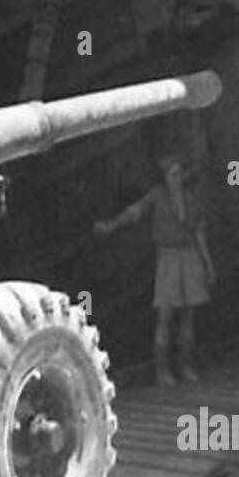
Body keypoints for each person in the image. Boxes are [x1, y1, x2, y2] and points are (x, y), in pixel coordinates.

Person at [95, 152, 214, 386]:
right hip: (168, 259)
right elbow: (134, 212)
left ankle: (186, 365)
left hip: (189, 256)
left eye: (178, 173)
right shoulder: (158, 197)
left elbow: (200, 234)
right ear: (166, 177)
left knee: (188, 314)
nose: (175, 178)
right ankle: (163, 370)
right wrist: (110, 226)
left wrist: (208, 264)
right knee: (166, 314)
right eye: (171, 174)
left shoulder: (191, 199)